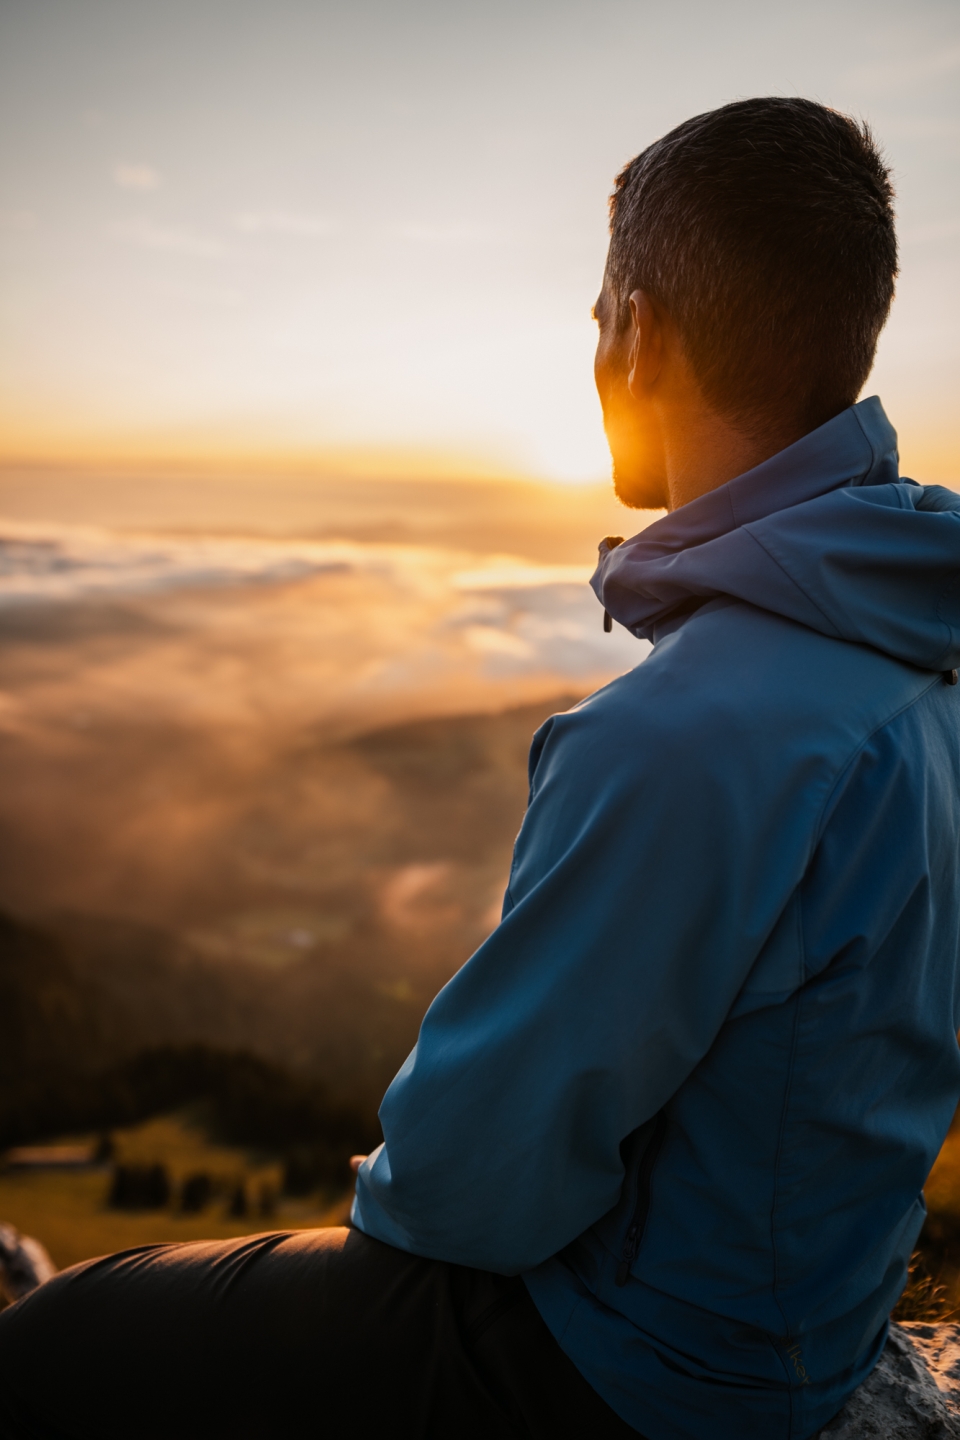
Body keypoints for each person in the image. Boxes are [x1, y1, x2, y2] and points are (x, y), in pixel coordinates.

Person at [2, 96, 959, 1440]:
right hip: (808, 1330)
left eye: (596, 319)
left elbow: (469, 1191)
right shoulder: (918, 657)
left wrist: (405, 1169)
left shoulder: (685, 732)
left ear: (634, 329)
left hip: (638, 1375)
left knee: (61, 1336)